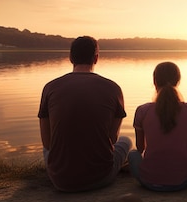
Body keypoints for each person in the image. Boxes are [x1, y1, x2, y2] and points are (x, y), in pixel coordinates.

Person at [38, 36, 132, 192]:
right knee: (126, 141)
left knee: (49, 148)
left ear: (70, 58)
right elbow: (112, 139)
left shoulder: (50, 87)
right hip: (101, 177)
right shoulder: (113, 88)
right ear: (96, 58)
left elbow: (47, 143)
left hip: (60, 180)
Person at [127, 62, 187, 191]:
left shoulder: (142, 110)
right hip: (182, 182)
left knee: (132, 154)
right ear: (178, 81)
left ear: (154, 81)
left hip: (148, 182)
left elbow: (140, 147)